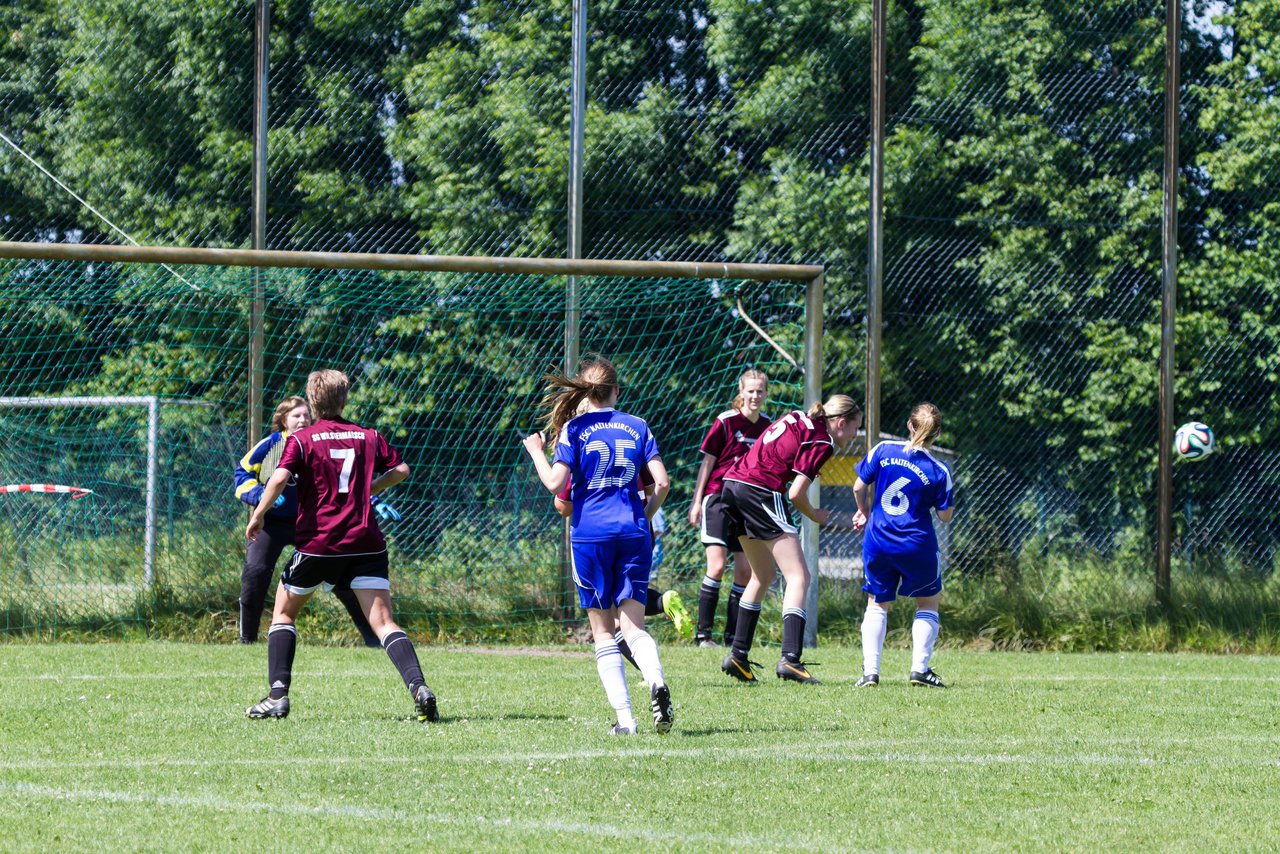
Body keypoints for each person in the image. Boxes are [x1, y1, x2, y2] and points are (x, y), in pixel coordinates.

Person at [244, 369, 439, 722]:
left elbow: (280, 476)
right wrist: (370, 489)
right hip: (366, 542)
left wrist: (258, 514)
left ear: (313, 401)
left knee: (284, 613)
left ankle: (277, 696)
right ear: (344, 399)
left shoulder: (302, 439)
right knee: (383, 622)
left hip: (320, 543)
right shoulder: (368, 435)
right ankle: (418, 687)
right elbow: (402, 470)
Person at [523, 356, 674, 735]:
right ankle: (656, 681)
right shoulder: (638, 425)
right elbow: (663, 482)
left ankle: (626, 720)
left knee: (604, 632)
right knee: (633, 627)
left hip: (591, 535)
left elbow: (557, 487)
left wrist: (536, 452)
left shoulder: (575, 428)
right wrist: (646, 514)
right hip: (634, 532)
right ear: (616, 391)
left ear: (585, 395)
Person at [718, 395, 862, 685]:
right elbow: (796, 493)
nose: (855, 435)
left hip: (732, 487)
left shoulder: (798, 416)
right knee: (799, 577)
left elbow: (779, 450)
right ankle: (790, 660)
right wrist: (815, 514)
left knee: (763, 575)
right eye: (855, 428)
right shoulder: (824, 441)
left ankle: (737, 655)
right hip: (760, 490)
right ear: (841, 423)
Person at [234, 395, 384, 647]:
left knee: (343, 579)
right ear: (283, 420)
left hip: (315, 524)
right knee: (255, 573)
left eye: (306, 415)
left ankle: (373, 639)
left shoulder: (317, 442)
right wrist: (258, 495)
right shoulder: (270, 445)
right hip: (273, 524)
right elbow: (242, 474)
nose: (303, 419)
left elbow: (345, 481)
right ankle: (247, 639)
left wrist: (374, 500)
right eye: (296, 415)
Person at [851, 403, 955, 688]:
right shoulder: (938, 469)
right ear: (938, 433)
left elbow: (858, 487)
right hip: (916, 544)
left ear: (909, 426)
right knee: (928, 601)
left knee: (877, 602)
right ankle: (919, 670)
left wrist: (863, 511)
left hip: (879, 539)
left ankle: (870, 672)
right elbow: (945, 517)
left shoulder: (883, 450)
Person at [688, 369, 771, 647]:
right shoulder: (726, 421)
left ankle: (732, 637)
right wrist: (697, 501)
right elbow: (707, 463)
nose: (755, 396)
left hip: (747, 505)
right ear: (741, 391)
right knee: (717, 565)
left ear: (765, 393)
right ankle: (703, 635)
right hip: (718, 499)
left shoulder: (768, 426)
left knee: (746, 571)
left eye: (760, 391)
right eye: (750, 390)